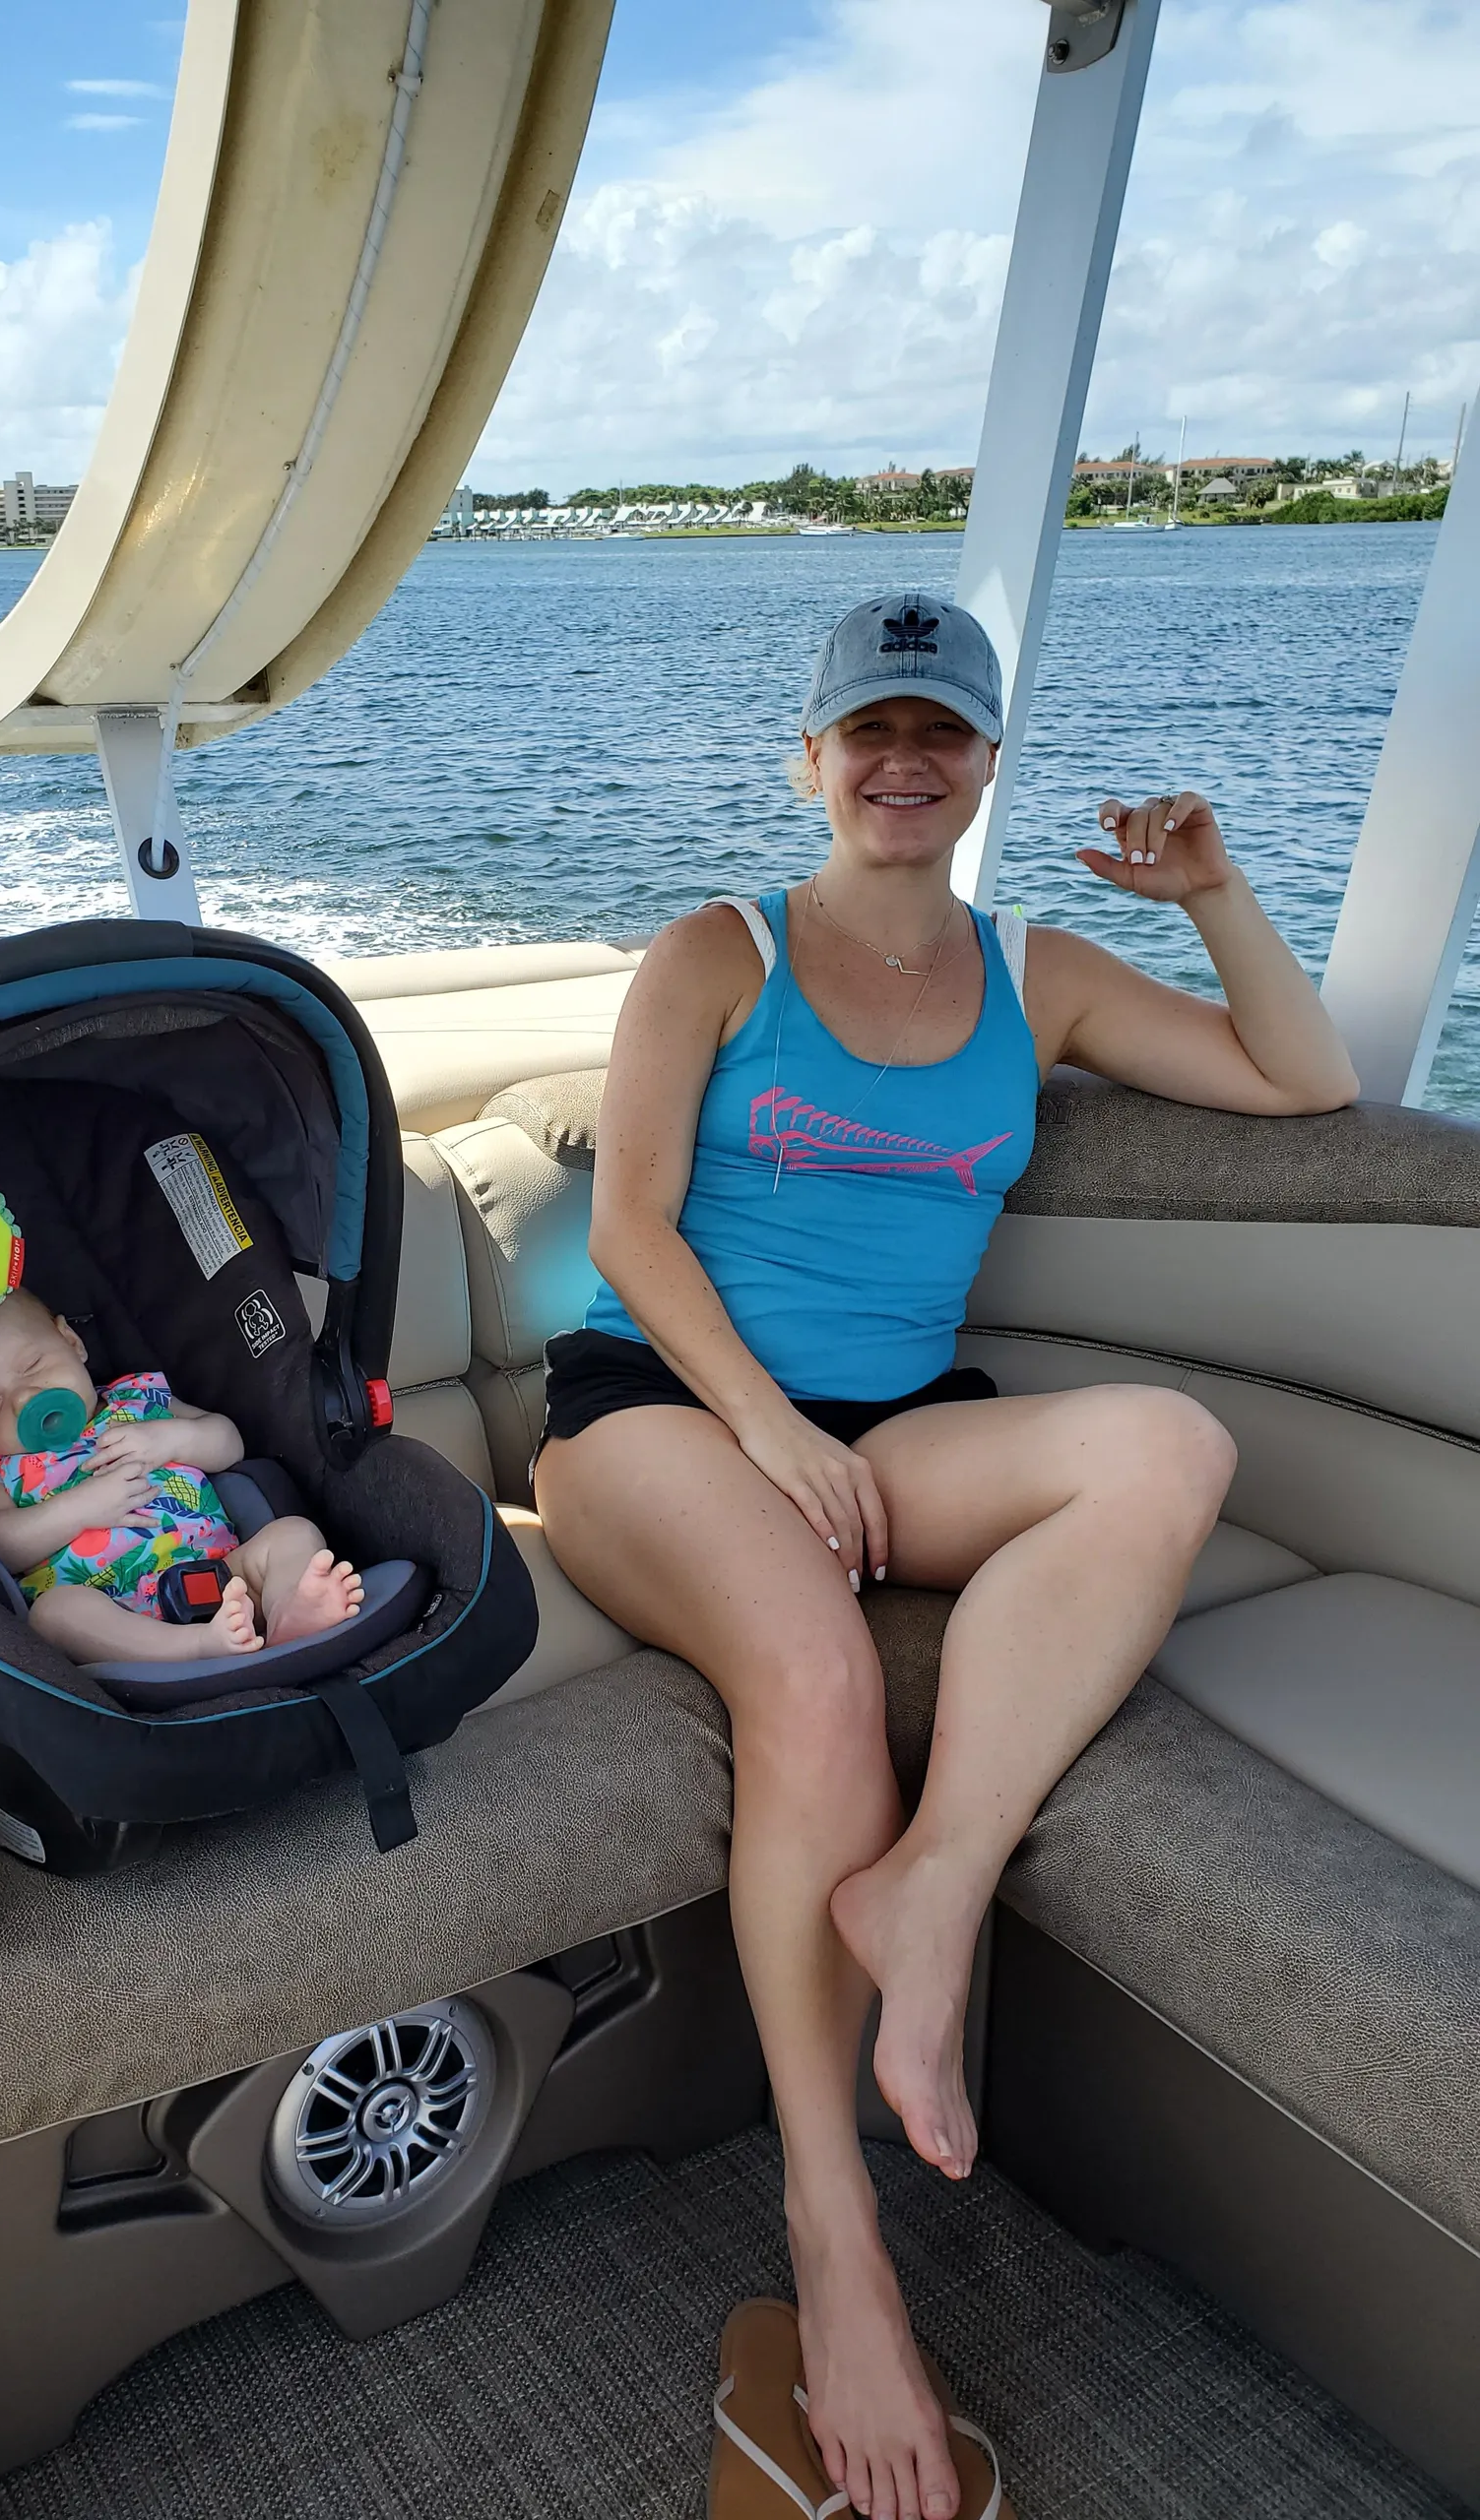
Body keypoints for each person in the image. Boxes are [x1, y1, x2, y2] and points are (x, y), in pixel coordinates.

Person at [533, 592, 1358, 2520]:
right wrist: (761, 1428)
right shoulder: (713, 953)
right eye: (870, 730)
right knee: (814, 1666)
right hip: (659, 1401)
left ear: (987, 763)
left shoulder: (1038, 971)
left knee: (1173, 1445)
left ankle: (932, 1890)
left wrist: (1218, 894)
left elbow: (1301, 1079)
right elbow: (638, 1228)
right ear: (811, 757)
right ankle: (838, 2234)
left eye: (945, 733)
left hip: (892, 1416)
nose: (905, 761)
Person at [0, 1288, 363, 1662]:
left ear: (71, 1342)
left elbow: (228, 1442)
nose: (26, 1401)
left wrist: (170, 1439)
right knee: (54, 1615)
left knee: (292, 1534)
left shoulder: (139, 1400)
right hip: (110, 1609)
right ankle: (196, 1648)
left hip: (225, 1573)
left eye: (32, 1367)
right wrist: (80, 1509)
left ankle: (287, 1613)